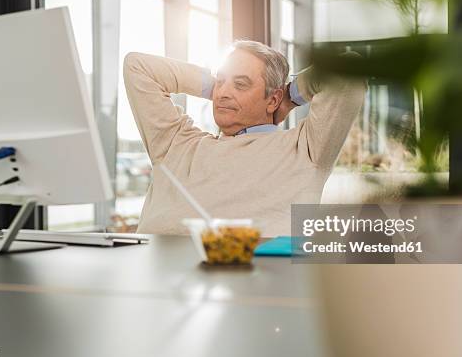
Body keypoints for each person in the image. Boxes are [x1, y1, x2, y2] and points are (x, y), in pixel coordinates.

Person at [123, 40, 366, 236]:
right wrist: (214, 87)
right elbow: (137, 66)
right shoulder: (178, 144)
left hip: (256, 280)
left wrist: (290, 97)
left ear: (272, 99)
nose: (224, 92)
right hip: (155, 276)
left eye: (240, 84)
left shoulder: (306, 150)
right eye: (221, 82)